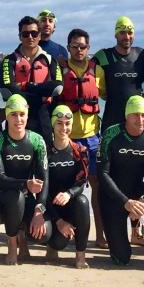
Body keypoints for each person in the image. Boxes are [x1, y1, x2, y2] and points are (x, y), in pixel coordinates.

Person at [97, 95, 144, 274]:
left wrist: (143, 200)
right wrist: (125, 201)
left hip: (137, 193)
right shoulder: (111, 134)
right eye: (135, 115)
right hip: (112, 196)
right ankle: (122, 239)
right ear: (126, 116)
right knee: (121, 259)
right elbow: (103, 174)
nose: (140, 119)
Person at [51, 27, 106, 246]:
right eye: (75, 46)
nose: (79, 50)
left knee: (97, 188)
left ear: (88, 48)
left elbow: (112, 94)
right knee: (69, 186)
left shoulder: (97, 71)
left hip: (93, 138)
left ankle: (99, 236)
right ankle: (66, 231)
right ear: (69, 48)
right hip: (69, 139)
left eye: (83, 46)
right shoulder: (60, 70)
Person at [0, 94, 49, 265]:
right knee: (15, 196)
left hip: (24, 197)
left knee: (45, 233)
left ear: (27, 115)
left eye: (21, 114)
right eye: (13, 114)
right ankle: (12, 244)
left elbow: (44, 179)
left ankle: (23, 239)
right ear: (6, 116)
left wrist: (39, 211)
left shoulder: (37, 140)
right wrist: (26, 184)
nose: (18, 119)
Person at [44, 104, 91, 268]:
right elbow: (44, 192)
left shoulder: (80, 150)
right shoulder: (45, 152)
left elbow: (81, 182)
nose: (64, 127)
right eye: (59, 123)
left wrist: (69, 194)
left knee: (83, 201)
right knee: (58, 243)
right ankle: (52, 244)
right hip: (51, 207)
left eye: (67, 123)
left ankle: (80, 255)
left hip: (71, 204)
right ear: (52, 124)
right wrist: (58, 221)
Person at [0, 16, 60, 139]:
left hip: (42, 116)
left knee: (44, 155)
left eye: (34, 33)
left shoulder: (50, 60)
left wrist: (25, 85)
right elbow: (7, 90)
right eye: (26, 34)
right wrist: (41, 91)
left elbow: (57, 87)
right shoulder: (9, 60)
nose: (30, 37)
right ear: (20, 36)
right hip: (16, 116)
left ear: (39, 35)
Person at [93, 16, 144, 133]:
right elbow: (82, 68)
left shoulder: (140, 55)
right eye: (122, 33)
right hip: (112, 117)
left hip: (137, 118)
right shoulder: (104, 56)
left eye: (130, 33)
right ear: (116, 35)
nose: (126, 37)